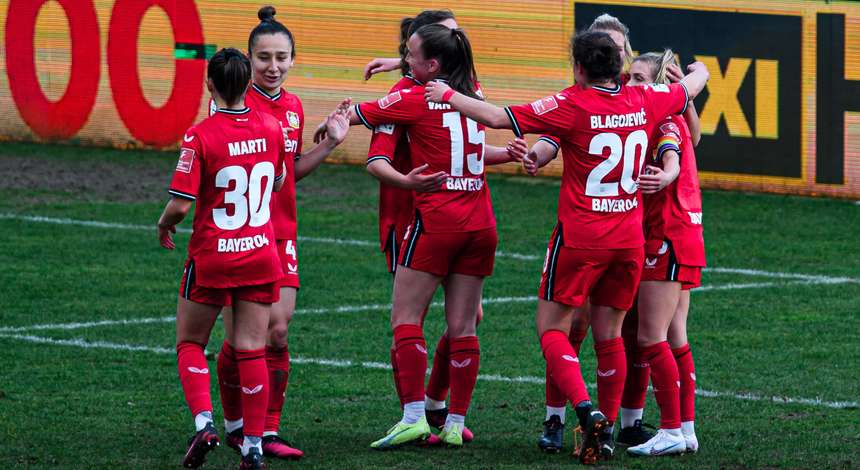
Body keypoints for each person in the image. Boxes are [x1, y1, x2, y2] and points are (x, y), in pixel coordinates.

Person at [423, 30, 709, 464]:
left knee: (552, 329)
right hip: (630, 240)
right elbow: (687, 89)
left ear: (579, 68)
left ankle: (583, 409)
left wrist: (447, 95)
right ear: (618, 67)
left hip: (582, 238)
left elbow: (499, 118)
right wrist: (701, 71)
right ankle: (607, 431)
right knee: (610, 336)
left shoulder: (571, 103)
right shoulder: (647, 99)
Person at [321, 23, 524, 449]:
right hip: (481, 222)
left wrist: (335, 119)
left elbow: (359, 114)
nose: (404, 61)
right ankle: (453, 423)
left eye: (410, 55)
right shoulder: (474, 92)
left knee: (405, 319)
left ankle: (414, 416)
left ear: (431, 64)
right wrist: (507, 153)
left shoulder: (413, 96)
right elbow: (463, 147)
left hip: (437, 221)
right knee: (464, 326)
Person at [214, 6, 349, 461]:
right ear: (249, 59)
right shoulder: (231, 103)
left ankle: (267, 431)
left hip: (280, 233)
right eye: (264, 58)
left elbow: (288, 174)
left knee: (279, 332)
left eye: (282, 58)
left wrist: (329, 142)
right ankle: (237, 426)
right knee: (241, 340)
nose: (273, 66)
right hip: (238, 237)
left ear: (294, 59)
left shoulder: (291, 107)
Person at [157, 47, 288, 470]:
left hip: (214, 255)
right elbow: (280, 179)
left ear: (209, 84)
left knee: (191, 342)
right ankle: (252, 447)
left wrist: (163, 224)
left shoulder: (200, 134)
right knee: (252, 350)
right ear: (249, 83)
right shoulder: (271, 126)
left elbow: (180, 205)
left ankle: (204, 424)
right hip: (259, 253)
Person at [620, 50, 705, 457]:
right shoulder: (667, 115)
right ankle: (686, 429)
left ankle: (670, 429)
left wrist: (666, 175)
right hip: (685, 233)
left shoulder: (662, 121)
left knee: (650, 337)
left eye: (638, 79)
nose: (630, 85)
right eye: (628, 77)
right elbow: (693, 136)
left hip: (667, 236)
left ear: (657, 85)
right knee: (675, 336)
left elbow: (671, 154)